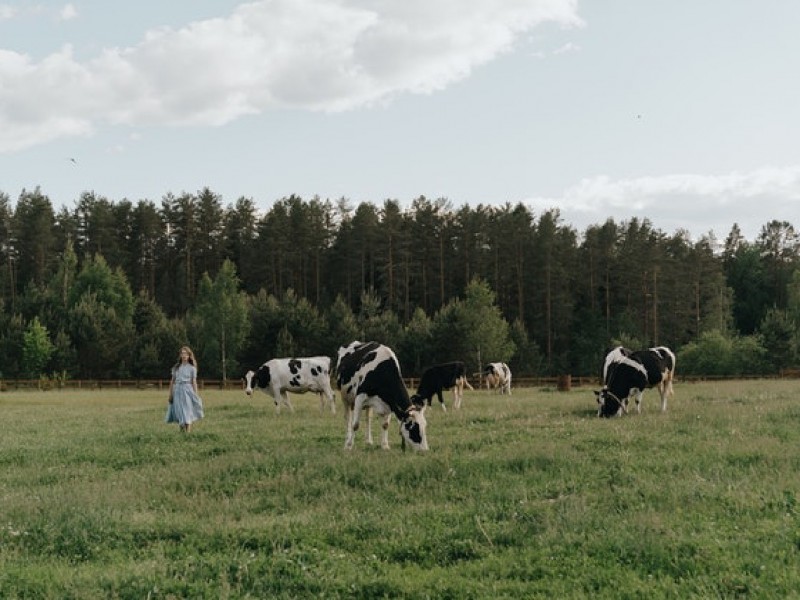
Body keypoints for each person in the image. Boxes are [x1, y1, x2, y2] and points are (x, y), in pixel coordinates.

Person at [165, 346, 204, 433]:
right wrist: (171, 394)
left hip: (187, 390)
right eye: (182, 353)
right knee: (180, 411)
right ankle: (182, 432)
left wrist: (195, 394)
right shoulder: (176, 368)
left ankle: (188, 433)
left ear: (189, 355)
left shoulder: (192, 368)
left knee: (187, 411)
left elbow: (194, 382)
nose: (184, 355)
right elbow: (172, 381)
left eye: (186, 354)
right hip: (178, 390)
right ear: (180, 355)